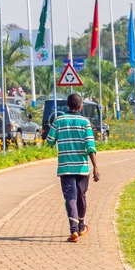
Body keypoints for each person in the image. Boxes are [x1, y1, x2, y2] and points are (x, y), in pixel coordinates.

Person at [45, 93, 100, 243]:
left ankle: (74, 230)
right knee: (81, 197)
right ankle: (81, 225)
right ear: (80, 106)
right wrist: (95, 167)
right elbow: (90, 146)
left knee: (70, 197)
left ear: (67, 106)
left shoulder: (58, 121)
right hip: (82, 168)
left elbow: (49, 141)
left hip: (65, 168)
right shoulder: (85, 122)